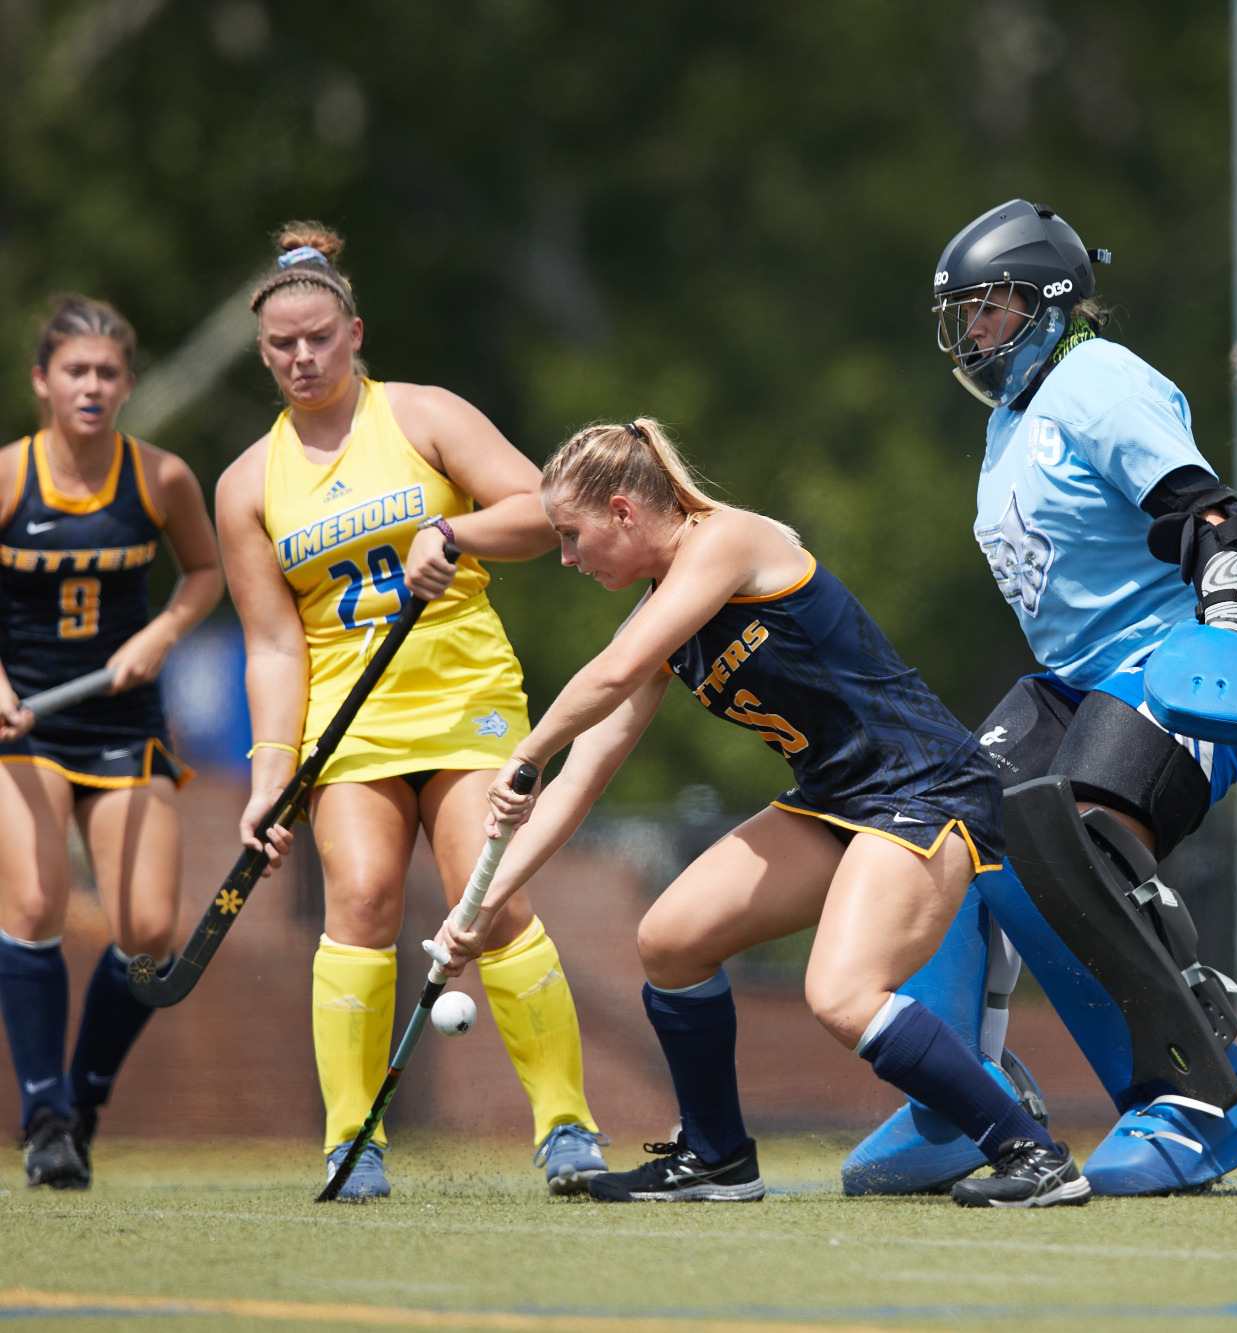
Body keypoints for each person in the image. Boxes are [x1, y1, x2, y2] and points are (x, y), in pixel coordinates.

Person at [429, 418, 1089, 1209]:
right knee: (670, 941)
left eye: (572, 536)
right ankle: (715, 1158)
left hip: (925, 787)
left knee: (842, 994)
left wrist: (525, 751)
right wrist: (483, 903)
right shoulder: (657, 621)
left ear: (624, 512)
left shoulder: (729, 540)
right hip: (838, 800)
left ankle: (1034, 1153)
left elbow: (613, 673)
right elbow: (579, 783)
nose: (566, 558)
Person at [843, 199, 1237, 1198]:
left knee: (1061, 834)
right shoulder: (1012, 415)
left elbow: (1203, 505)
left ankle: (1206, 1095)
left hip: (1180, 653)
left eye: (989, 309)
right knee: (942, 826)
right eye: (964, 316)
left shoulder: (1096, 379)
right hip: (1079, 679)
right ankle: (960, 1101)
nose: (973, 334)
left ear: (1044, 302)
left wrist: (1230, 582)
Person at [213, 223, 606, 1200]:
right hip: (348, 724)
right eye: (280, 346)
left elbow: (541, 505)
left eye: (317, 338)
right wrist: (272, 770)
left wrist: (453, 530)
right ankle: (354, 1143)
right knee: (361, 903)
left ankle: (566, 1129)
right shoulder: (245, 486)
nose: (301, 359)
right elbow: (272, 642)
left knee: (492, 895)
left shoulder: (424, 416)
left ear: (353, 332)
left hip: (464, 694)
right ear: (262, 353)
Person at [0, 296, 223, 1188]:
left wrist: (161, 634)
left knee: (148, 936)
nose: (91, 386)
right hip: (30, 730)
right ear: (42, 381)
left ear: (127, 384)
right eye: (75, 371)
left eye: (106, 373)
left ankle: (85, 1099)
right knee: (34, 906)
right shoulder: (11, 479)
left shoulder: (161, 477)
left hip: (125, 728)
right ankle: (44, 1112)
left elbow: (203, 573)